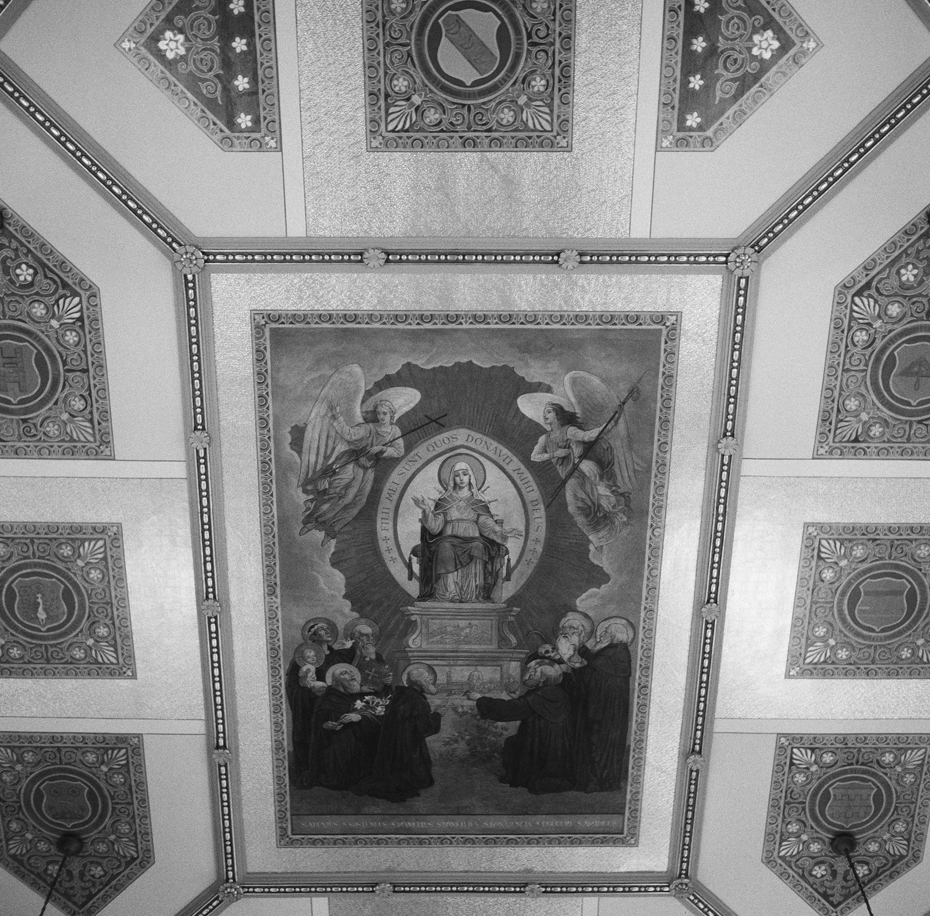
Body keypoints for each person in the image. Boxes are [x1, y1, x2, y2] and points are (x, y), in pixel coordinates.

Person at [412, 460, 520, 603]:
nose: (461, 478)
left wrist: (503, 531)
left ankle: (473, 594)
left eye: (465, 474)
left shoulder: (478, 502)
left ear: (471, 477)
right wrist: (426, 509)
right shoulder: (444, 501)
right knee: (445, 547)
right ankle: (449, 594)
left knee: (478, 547)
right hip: (448, 538)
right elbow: (435, 527)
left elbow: (486, 524)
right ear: (452, 479)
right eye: (457, 475)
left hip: (473, 539)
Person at [300, 398, 404, 545]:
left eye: (384, 413)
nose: (381, 416)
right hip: (353, 464)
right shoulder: (368, 428)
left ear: (391, 414)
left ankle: (332, 529)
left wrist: (382, 449)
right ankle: (313, 520)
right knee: (344, 497)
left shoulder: (394, 431)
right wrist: (338, 417)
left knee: (358, 502)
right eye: (379, 413)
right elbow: (349, 434)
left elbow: (399, 451)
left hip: (369, 468)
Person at [530, 401, 630, 549]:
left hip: (580, 469)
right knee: (589, 506)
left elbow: (589, 436)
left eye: (549, 411)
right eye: (544, 412)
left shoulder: (569, 431)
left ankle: (596, 540)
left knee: (574, 507)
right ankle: (600, 538)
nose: (545, 415)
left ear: (558, 414)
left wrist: (613, 421)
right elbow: (534, 456)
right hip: (569, 475)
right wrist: (554, 453)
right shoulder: (544, 439)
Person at [475, 660, 575, 794]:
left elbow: (510, 710)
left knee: (512, 744)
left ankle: (519, 777)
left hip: (539, 740)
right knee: (513, 742)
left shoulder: (538, 694)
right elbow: (531, 707)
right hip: (558, 742)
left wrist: (481, 699)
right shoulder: (559, 693)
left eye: (534, 673)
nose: (530, 675)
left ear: (544, 677)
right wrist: (518, 698)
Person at [352, 664, 442, 802]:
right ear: (419, 683)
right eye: (427, 680)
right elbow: (424, 729)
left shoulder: (399, 695)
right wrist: (437, 715)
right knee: (415, 777)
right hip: (407, 746)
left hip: (393, 744)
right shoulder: (419, 702)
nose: (430, 682)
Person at [305, 663, 384, 791]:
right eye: (344, 673)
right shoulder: (326, 700)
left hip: (361, 744)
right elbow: (318, 727)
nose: (351, 675)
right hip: (337, 747)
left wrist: (359, 718)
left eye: (350, 672)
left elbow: (375, 719)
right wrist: (327, 725)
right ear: (336, 683)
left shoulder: (358, 697)